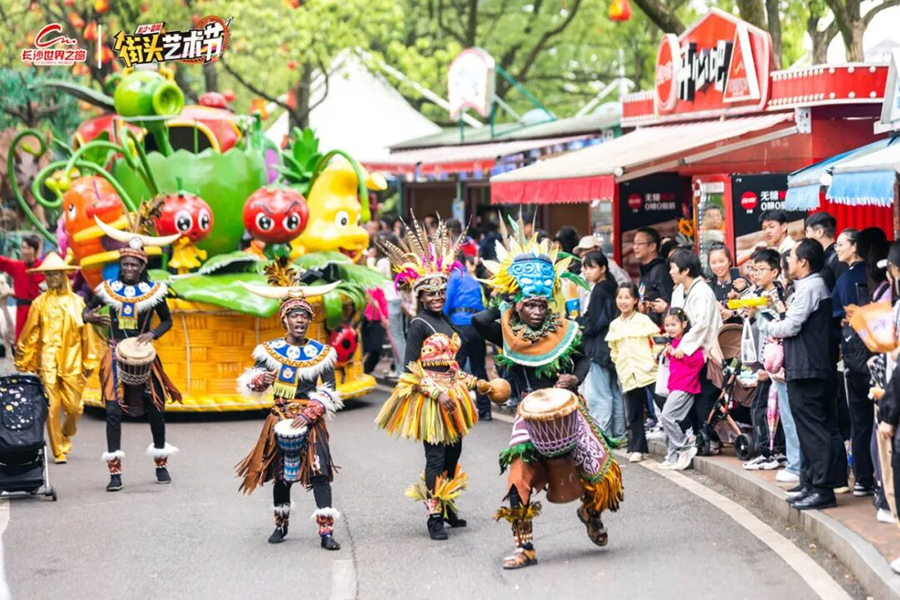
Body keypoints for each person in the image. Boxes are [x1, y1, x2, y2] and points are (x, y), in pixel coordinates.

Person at [473, 220, 622, 570]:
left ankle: (591, 513)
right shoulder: (508, 332)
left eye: (542, 304)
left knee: (602, 472)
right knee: (517, 479)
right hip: (529, 416)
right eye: (530, 305)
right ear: (519, 305)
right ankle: (524, 547)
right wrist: (505, 297)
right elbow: (479, 322)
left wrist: (575, 377)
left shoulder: (564, 329)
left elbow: (584, 358)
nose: (538, 311)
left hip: (570, 410)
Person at [375, 217, 487, 541]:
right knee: (435, 458)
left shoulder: (447, 321)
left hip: (454, 399)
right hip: (433, 402)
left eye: (441, 291)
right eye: (431, 293)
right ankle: (434, 517)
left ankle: (448, 506)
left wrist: (477, 383)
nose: (437, 296)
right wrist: (438, 394)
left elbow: (451, 367)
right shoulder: (419, 325)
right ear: (421, 295)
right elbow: (410, 369)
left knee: (454, 454)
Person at [235, 260, 343, 549]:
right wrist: (261, 380)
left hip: (309, 419)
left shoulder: (322, 353)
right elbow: (250, 383)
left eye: (304, 316)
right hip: (280, 417)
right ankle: (280, 525)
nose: (300, 321)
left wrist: (311, 413)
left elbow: (330, 390)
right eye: (295, 316)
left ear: (309, 320)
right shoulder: (269, 351)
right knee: (282, 475)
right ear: (284, 320)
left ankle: (326, 532)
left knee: (320, 472)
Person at [83, 222, 182, 492]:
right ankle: (115, 473)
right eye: (125, 264)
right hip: (115, 354)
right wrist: (90, 317)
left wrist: (152, 334)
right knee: (112, 411)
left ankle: (161, 464)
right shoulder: (107, 289)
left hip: (144, 356)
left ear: (141, 267)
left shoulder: (154, 291)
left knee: (156, 407)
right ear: (121, 265)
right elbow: (86, 311)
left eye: (133, 265)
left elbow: (167, 321)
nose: (128, 268)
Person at [769, 239, 845, 510]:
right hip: (809, 366)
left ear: (803, 261)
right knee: (811, 428)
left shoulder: (811, 286)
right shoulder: (810, 285)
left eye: (791, 256)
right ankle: (811, 483)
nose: (787, 262)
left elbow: (790, 325)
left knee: (814, 430)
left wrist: (771, 327)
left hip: (809, 368)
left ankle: (822, 489)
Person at [14, 252, 98, 463]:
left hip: (72, 360)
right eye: (48, 274)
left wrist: (89, 359)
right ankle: (58, 449)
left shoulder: (77, 302)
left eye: (56, 274)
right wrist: (23, 359)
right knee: (51, 406)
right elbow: (30, 333)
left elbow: (86, 332)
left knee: (74, 407)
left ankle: (66, 433)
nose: (52, 278)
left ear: (63, 275)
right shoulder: (39, 303)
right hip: (48, 361)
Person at [832, 228, 876, 496]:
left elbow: (836, 317)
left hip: (855, 354)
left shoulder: (846, 279)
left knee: (860, 418)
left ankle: (863, 478)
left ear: (855, 246)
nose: (837, 249)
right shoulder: (874, 276)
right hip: (880, 350)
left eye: (841, 244)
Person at [668, 248, 724, 452]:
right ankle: (698, 438)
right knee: (688, 398)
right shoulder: (678, 290)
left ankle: (710, 440)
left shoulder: (702, 291)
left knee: (703, 401)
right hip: (687, 354)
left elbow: (702, 325)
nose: (670, 272)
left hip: (704, 353)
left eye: (673, 268)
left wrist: (684, 347)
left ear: (685, 270)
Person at [606, 283, 659, 462]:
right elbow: (613, 349)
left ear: (636, 300)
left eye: (627, 297)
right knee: (635, 411)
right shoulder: (614, 325)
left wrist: (654, 358)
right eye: (620, 297)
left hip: (648, 370)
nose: (623, 301)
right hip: (628, 373)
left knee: (662, 403)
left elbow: (656, 341)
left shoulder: (643, 320)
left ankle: (681, 441)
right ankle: (638, 448)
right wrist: (619, 362)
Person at [580, 251, 623, 438]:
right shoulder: (611, 286)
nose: (586, 271)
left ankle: (603, 436)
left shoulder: (598, 290)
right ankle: (619, 434)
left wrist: (579, 324)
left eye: (591, 267)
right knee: (614, 392)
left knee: (599, 395)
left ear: (603, 268)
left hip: (598, 348)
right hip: (611, 347)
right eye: (585, 268)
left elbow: (594, 322)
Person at [444, 252, 491, 420]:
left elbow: (446, 302)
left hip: (460, 326)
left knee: (455, 369)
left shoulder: (455, 277)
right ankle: (485, 410)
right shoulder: (473, 279)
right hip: (477, 326)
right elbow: (483, 304)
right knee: (479, 369)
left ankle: (455, 410)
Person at [658, 308, 703, 470]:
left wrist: (682, 355)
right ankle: (672, 456)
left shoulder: (688, 341)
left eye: (674, 324)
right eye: (667, 325)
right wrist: (669, 353)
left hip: (685, 386)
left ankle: (685, 446)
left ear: (684, 324)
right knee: (670, 420)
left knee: (667, 417)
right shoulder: (673, 343)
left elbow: (699, 361)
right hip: (675, 385)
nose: (670, 328)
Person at [0, 235, 43, 341]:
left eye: (28, 248)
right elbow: (2, 262)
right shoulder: (17, 266)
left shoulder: (43, 267)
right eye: (23, 248)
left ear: (35, 250)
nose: (25, 251)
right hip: (22, 311)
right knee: (21, 341)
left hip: (40, 311)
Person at [634, 227, 673, 326]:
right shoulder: (645, 269)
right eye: (634, 243)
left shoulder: (660, 270)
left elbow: (668, 301)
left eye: (639, 243)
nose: (635, 247)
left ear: (652, 246)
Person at [707, 242, 748, 324]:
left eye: (721, 261)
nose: (718, 266)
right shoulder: (707, 286)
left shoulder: (741, 282)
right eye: (714, 263)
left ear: (729, 261)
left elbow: (752, 310)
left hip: (739, 330)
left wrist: (733, 313)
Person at [805, 212, 846, 291]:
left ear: (819, 232)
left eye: (807, 231)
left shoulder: (839, 258)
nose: (806, 236)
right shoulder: (821, 257)